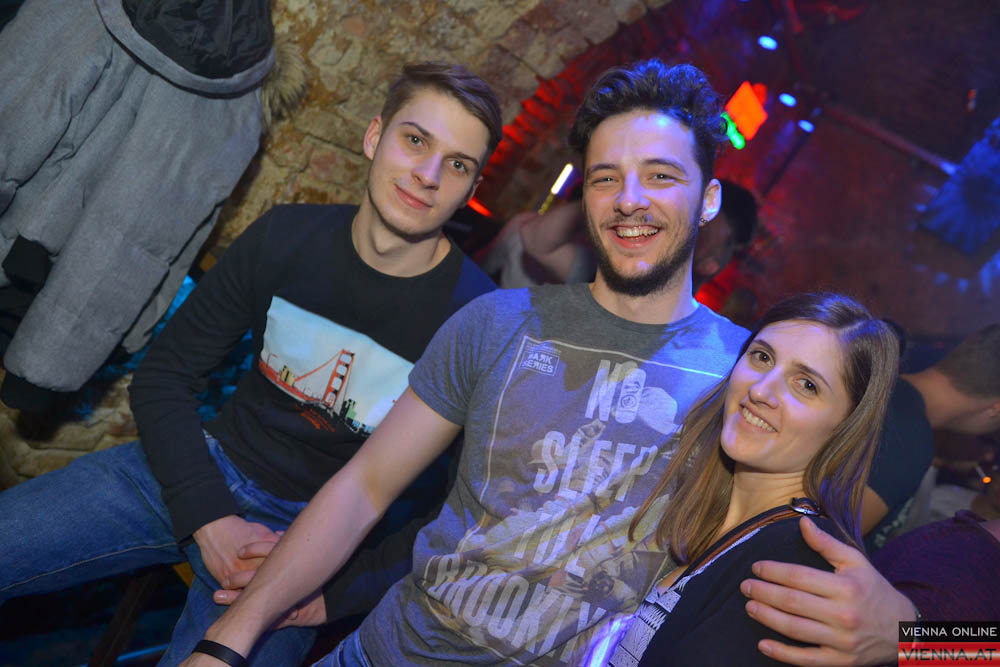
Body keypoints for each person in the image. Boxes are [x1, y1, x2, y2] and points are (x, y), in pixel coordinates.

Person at [182, 60, 917, 667]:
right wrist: (228, 641)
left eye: (661, 176)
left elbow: (826, 558)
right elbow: (363, 488)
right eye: (606, 177)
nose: (629, 200)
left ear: (708, 200)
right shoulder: (495, 321)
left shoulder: (747, 378)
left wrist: (916, 634)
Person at [0, 61, 501, 666]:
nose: (428, 175)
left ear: (471, 188)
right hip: (203, 464)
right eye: (415, 140)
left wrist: (334, 596)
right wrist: (208, 515)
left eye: (457, 164)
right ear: (375, 136)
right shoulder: (286, 236)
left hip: (315, 541)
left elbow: (460, 509)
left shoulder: (477, 321)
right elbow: (166, 375)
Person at [601, 292, 899, 667]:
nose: (760, 390)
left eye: (806, 385)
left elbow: (968, 650)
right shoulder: (732, 529)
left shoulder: (800, 559)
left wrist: (916, 637)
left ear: (845, 427)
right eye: (762, 357)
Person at [865, 323, 1000, 549]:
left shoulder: (879, 389)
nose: (988, 453)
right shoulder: (912, 440)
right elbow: (825, 541)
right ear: (996, 408)